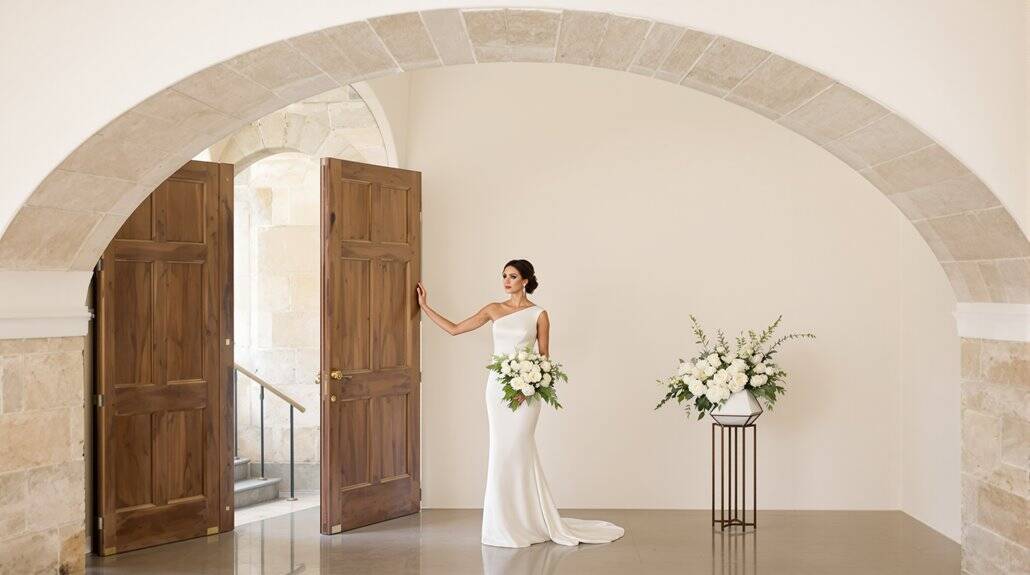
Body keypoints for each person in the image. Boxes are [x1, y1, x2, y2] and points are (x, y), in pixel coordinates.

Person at [416, 259, 625, 548]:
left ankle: (529, 519)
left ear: (525, 280)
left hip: (526, 395)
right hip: (497, 391)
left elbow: (544, 358)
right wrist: (425, 307)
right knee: (500, 452)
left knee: (519, 449)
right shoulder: (493, 309)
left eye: (512, 276)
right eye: (504, 276)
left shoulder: (539, 314)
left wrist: (528, 388)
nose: (506, 280)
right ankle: (503, 523)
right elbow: (454, 329)